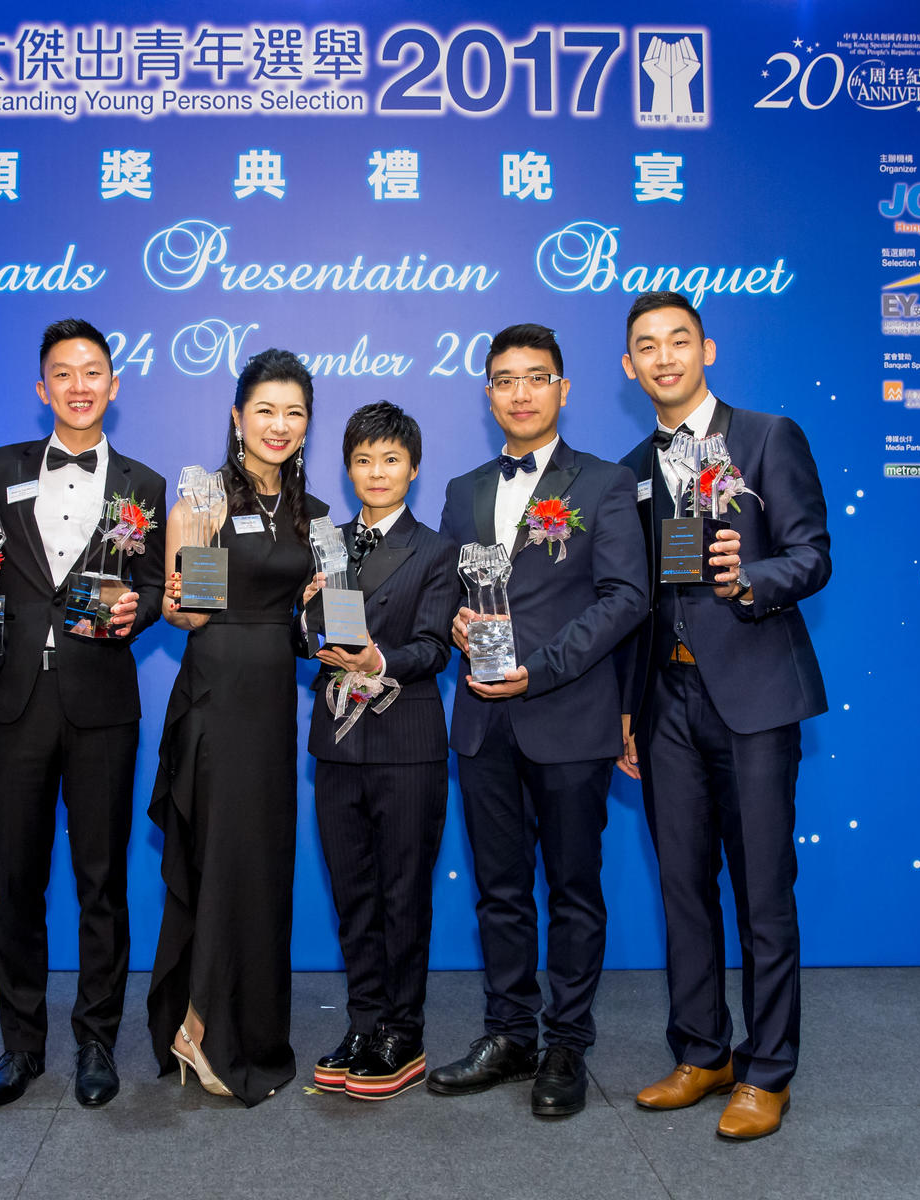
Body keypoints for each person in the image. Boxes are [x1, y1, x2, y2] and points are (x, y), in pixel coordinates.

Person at [614, 291, 830, 1140]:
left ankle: (767, 1070)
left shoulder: (769, 436)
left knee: (763, 890)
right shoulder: (633, 466)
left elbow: (813, 555)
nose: (664, 357)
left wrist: (752, 579)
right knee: (682, 887)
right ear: (629, 367)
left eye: (679, 340)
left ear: (707, 350)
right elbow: (633, 598)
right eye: (647, 346)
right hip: (663, 700)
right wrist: (627, 708)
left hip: (754, 698)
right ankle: (703, 1052)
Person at [428, 322, 648, 1118]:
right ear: (488, 394)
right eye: (504, 380)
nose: (520, 393)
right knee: (499, 890)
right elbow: (444, 592)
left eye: (535, 377)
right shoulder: (462, 491)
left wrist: (544, 667)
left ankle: (566, 1043)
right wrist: (452, 622)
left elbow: (626, 597)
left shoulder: (605, 484)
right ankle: (510, 1033)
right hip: (482, 723)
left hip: (567, 713)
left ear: (563, 388)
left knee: (573, 889)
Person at [0, 319, 167, 1110]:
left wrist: (136, 613)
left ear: (113, 386)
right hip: (15, 699)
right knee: (16, 881)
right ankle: (20, 1046)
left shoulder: (145, 485)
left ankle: (95, 1042)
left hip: (101, 703)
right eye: (63, 372)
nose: (79, 386)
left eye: (92, 372)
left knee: (101, 880)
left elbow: (155, 586)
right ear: (42, 387)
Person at [146, 348, 328, 1107]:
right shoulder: (202, 497)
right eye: (265, 411)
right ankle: (199, 1028)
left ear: (307, 424)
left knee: (263, 867)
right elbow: (185, 614)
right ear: (237, 417)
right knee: (219, 863)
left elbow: (313, 631)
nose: (278, 425)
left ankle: (250, 1032)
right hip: (216, 697)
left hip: (273, 705)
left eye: (294, 413)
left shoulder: (316, 515)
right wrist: (191, 577)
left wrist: (322, 614)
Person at [300, 402, 458, 1102]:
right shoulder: (325, 543)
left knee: (403, 893)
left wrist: (379, 659)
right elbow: (302, 640)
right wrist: (305, 616)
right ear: (348, 467)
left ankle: (404, 1031)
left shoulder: (436, 549)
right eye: (363, 459)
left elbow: (435, 647)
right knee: (353, 893)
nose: (376, 472)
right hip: (337, 744)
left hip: (406, 744)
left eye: (390, 459)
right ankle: (364, 1024)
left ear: (413, 468)